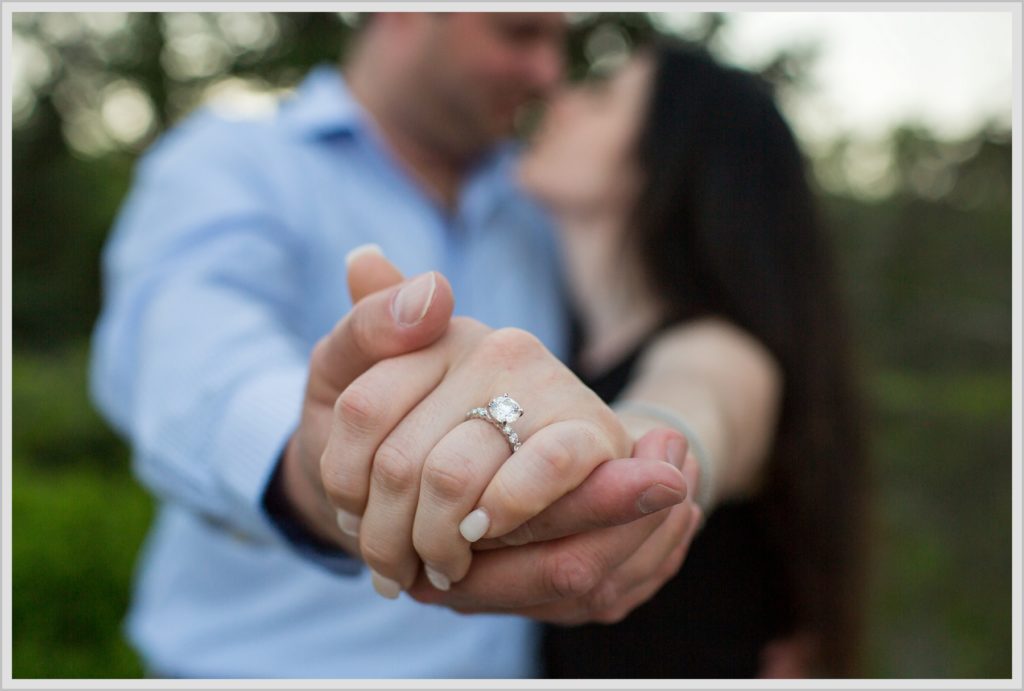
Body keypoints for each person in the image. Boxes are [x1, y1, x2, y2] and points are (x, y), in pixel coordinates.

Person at [89, 13, 776, 678]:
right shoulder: (238, 159)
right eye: (518, 33)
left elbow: (704, 365)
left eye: (556, 43)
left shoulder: (538, 211)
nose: (548, 75)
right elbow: (180, 347)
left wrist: (661, 446)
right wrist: (314, 461)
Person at [512, 42, 869, 677]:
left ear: (660, 160)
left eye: (601, 99)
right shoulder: (564, 344)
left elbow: (690, 408)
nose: (560, 98)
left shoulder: (723, 351)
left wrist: (630, 454)